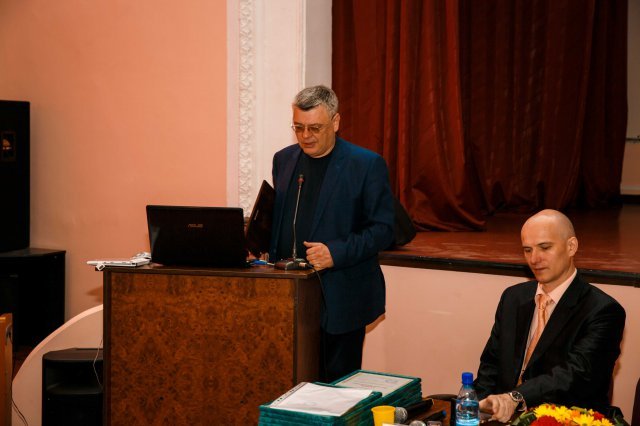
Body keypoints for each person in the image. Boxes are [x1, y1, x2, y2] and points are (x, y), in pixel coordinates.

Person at [268, 85, 395, 383]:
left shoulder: (365, 164)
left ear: (335, 122)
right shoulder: (283, 160)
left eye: (315, 128)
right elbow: (281, 217)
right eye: (298, 127)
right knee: (288, 384)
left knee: (336, 391)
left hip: (340, 299)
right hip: (288, 297)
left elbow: (383, 230)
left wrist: (335, 253)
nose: (305, 136)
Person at [475, 209, 626, 423]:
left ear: (571, 246)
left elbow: (575, 376)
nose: (534, 259)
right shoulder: (513, 297)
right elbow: (491, 363)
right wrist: (478, 408)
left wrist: (515, 397)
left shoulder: (603, 310)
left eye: (545, 248)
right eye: (527, 250)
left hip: (565, 420)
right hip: (503, 418)